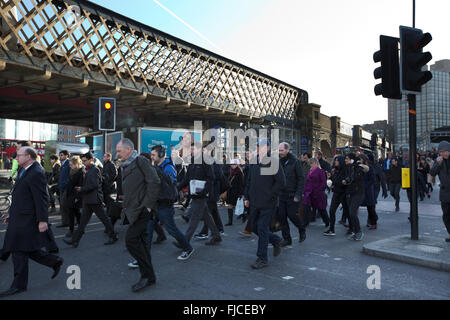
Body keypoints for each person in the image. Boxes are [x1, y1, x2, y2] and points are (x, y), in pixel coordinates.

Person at [0, 147, 63, 297]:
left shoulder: (36, 172)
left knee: (18, 249)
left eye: (19, 156)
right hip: (19, 217)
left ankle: (19, 285)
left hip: (27, 220)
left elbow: (42, 199)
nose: (16, 158)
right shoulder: (25, 170)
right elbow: (22, 197)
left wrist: (43, 220)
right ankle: (54, 261)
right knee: (26, 249)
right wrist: (12, 215)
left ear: (28, 156)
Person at [116, 139, 160, 292]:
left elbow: (154, 181)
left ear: (128, 150)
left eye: (119, 151)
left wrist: (147, 206)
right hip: (133, 209)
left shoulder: (140, 161)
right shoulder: (126, 164)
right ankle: (150, 276)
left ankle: (146, 275)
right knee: (140, 242)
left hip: (142, 210)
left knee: (131, 240)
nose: (117, 154)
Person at [244, 138, 286, 269]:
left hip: (268, 203)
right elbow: (249, 181)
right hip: (254, 202)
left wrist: (270, 195)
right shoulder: (254, 161)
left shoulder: (274, 162)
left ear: (267, 148)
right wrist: (246, 197)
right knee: (255, 228)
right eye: (257, 146)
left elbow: (281, 182)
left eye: (261, 146)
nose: (258, 149)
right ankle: (276, 240)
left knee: (262, 228)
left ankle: (262, 258)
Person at [63, 152, 118, 248]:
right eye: (82, 161)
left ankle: (113, 236)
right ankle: (75, 241)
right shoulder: (87, 169)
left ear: (91, 160)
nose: (83, 162)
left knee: (104, 219)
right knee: (83, 223)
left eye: (85, 161)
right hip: (88, 200)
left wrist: (82, 189)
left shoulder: (94, 170)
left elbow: (95, 185)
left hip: (95, 200)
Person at [177, 142, 222, 246]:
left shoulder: (206, 160)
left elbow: (211, 178)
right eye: (190, 149)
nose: (191, 151)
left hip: (202, 195)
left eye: (193, 149)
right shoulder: (192, 161)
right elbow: (187, 178)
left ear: (200, 150)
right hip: (194, 194)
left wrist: (204, 191)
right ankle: (216, 236)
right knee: (207, 216)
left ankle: (185, 242)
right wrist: (177, 187)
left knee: (194, 218)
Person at [278, 142, 306, 246]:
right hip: (281, 194)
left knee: (292, 215)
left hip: (292, 195)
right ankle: (287, 239)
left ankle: (301, 229)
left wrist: (298, 195)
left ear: (287, 150)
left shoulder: (295, 162)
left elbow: (301, 179)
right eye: (279, 150)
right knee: (282, 217)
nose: (280, 152)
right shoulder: (278, 161)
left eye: (281, 150)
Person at [342, 153, 369, 241]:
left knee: (352, 212)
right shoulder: (349, 168)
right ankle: (354, 230)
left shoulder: (359, 168)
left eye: (347, 159)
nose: (345, 160)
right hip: (350, 192)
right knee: (350, 213)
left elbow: (364, 170)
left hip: (358, 193)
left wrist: (357, 165)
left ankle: (359, 232)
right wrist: (346, 180)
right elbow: (349, 178)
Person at [430, 141, 450, 242]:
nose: (442, 154)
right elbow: (432, 173)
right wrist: (437, 163)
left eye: (444, 151)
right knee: (446, 215)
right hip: (445, 193)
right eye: (441, 152)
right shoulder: (438, 161)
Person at [324, 155, 349, 236]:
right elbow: (336, 181)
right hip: (336, 193)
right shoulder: (336, 170)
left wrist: (335, 179)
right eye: (335, 160)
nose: (335, 162)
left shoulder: (345, 171)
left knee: (348, 212)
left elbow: (343, 182)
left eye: (337, 160)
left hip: (343, 193)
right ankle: (331, 229)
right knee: (331, 211)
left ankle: (352, 228)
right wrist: (331, 177)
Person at [302, 158, 330, 228]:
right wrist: (304, 191)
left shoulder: (320, 171)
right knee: (306, 207)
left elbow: (323, 183)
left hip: (317, 193)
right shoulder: (310, 171)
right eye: (310, 163)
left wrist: (319, 190)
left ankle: (327, 221)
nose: (311, 164)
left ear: (316, 163)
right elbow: (307, 182)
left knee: (321, 208)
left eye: (312, 163)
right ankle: (305, 222)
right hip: (308, 192)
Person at [64, 156, 84, 238]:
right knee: (75, 212)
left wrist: (77, 197)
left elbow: (80, 185)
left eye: (71, 164)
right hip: (70, 194)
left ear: (77, 164)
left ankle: (72, 230)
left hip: (75, 195)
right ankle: (79, 228)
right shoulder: (72, 170)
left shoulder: (81, 172)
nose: (70, 166)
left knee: (73, 213)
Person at [223, 159, 244, 227]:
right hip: (230, 191)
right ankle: (230, 221)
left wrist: (240, 193)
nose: (232, 166)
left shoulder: (239, 173)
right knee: (230, 206)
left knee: (237, 206)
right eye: (231, 164)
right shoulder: (230, 172)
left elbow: (241, 184)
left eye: (234, 164)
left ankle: (243, 216)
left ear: (237, 165)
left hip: (236, 192)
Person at [359, 154, 378, 230]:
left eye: (360, 159)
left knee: (370, 207)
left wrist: (366, 185)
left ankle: (374, 223)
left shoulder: (370, 167)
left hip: (368, 190)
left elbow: (373, 179)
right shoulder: (360, 167)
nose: (359, 160)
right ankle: (351, 222)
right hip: (361, 189)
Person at [57, 150, 71, 228]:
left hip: (66, 187)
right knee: (62, 206)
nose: (60, 156)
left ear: (67, 156)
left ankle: (68, 222)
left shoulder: (68, 163)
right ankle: (64, 222)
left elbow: (69, 176)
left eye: (62, 155)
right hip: (61, 187)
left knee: (65, 205)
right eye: (60, 155)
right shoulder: (62, 164)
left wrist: (65, 184)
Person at [102, 153, 117, 221]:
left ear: (108, 157)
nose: (103, 157)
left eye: (105, 156)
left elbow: (115, 174)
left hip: (110, 186)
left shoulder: (111, 164)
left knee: (110, 201)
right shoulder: (105, 164)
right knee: (107, 200)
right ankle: (108, 213)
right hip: (106, 186)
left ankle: (111, 214)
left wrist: (109, 181)